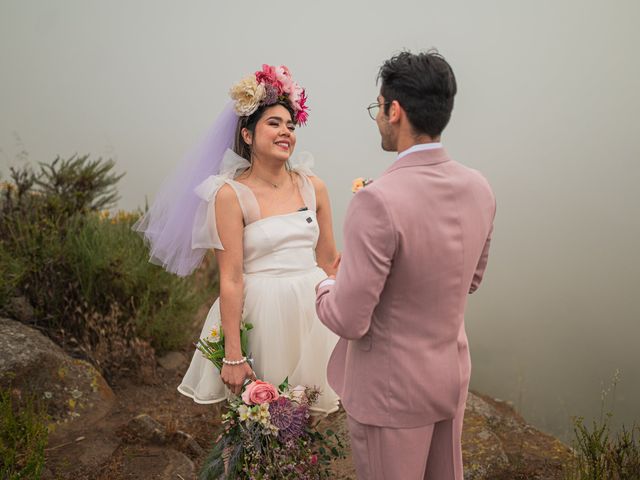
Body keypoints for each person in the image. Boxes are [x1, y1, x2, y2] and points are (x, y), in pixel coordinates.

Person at [315, 50, 496, 479]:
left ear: (394, 110)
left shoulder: (377, 199)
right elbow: (470, 279)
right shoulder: (479, 187)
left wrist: (324, 285)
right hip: (450, 377)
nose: (378, 116)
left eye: (378, 107)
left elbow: (349, 318)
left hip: (390, 392)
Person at [135, 64, 340, 414]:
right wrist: (233, 353)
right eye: (273, 124)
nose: (285, 132)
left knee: (305, 421)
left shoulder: (313, 186)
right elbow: (230, 277)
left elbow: (330, 261)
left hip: (313, 312)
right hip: (263, 314)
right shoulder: (230, 194)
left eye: (290, 126)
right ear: (247, 135)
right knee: (258, 423)